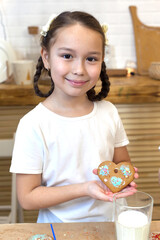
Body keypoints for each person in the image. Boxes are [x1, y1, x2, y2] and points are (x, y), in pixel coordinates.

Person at [10, 11, 138, 223]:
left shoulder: (109, 112)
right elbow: (28, 198)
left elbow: (122, 162)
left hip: (113, 225)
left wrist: (124, 177)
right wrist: (85, 188)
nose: (79, 69)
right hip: (58, 230)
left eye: (91, 58)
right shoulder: (33, 125)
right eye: (67, 56)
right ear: (46, 57)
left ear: (102, 61)